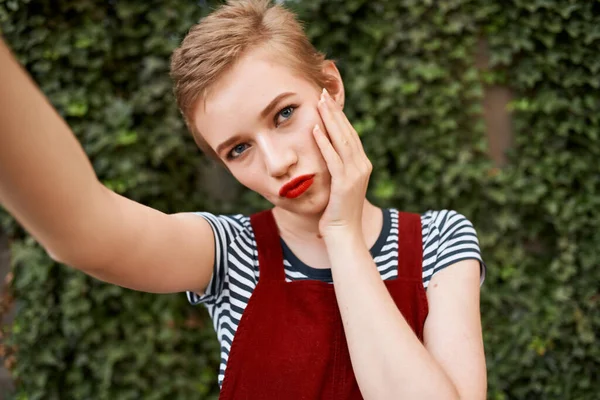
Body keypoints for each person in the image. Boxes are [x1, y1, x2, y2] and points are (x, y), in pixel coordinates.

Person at [0, 0, 487, 398]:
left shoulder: (438, 242)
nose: (276, 163)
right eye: (238, 149)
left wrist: (341, 235)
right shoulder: (230, 255)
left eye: (283, 114)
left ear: (331, 87)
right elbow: (85, 230)